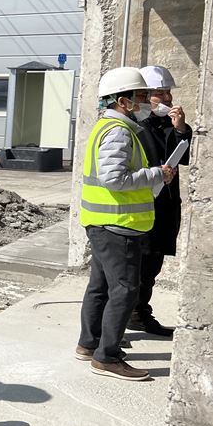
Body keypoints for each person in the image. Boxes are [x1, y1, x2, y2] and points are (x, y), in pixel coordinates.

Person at [75, 67, 175, 381]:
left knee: (101, 287)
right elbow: (114, 178)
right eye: (141, 96)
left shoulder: (108, 125)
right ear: (123, 101)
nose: (147, 101)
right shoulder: (119, 130)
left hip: (104, 222)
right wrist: (158, 174)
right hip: (118, 224)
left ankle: (89, 345)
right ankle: (107, 357)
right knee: (126, 290)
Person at [126, 65, 192, 336]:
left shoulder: (169, 125)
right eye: (158, 94)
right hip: (141, 204)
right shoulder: (134, 125)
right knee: (132, 269)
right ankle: (119, 323)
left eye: (168, 94)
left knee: (152, 265)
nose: (166, 100)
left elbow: (184, 158)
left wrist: (181, 129)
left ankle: (140, 314)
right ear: (143, 96)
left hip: (165, 205)